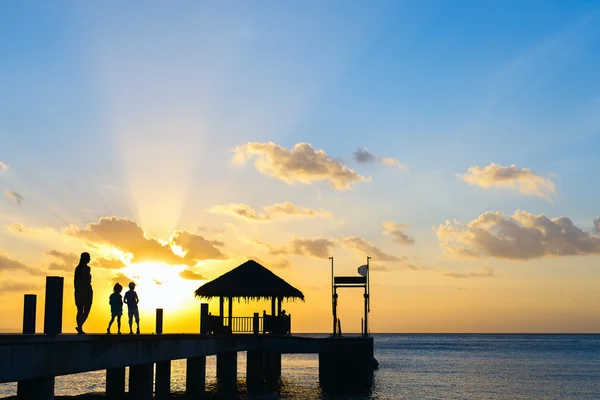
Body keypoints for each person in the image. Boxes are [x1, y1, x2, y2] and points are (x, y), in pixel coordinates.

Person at [74, 252, 93, 334]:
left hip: (78, 291)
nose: (90, 259)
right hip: (85, 290)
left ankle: (80, 327)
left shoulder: (77, 268)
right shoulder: (86, 268)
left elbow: (76, 282)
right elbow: (86, 280)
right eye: (88, 257)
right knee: (86, 309)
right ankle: (80, 325)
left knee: (79, 310)